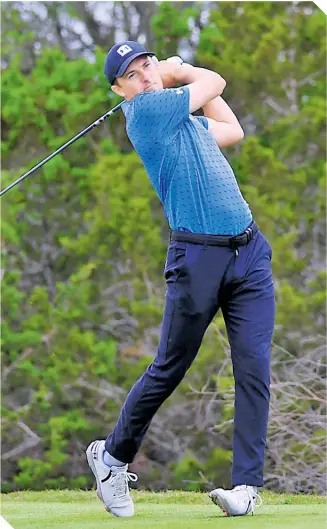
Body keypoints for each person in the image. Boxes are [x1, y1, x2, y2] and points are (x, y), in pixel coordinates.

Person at [86, 40, 275, 518]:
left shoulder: (182, 121)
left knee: (253, 367)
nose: (146, 75)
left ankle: (246, 488)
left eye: (147, 64)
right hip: (197, 258)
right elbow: (214, 81)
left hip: (248, 251)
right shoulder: (147, 114)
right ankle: (110, 457)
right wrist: (179, 69)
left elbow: (232, 129)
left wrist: (178, 74)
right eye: (133, 73)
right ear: (120, 90)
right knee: (171, 365)